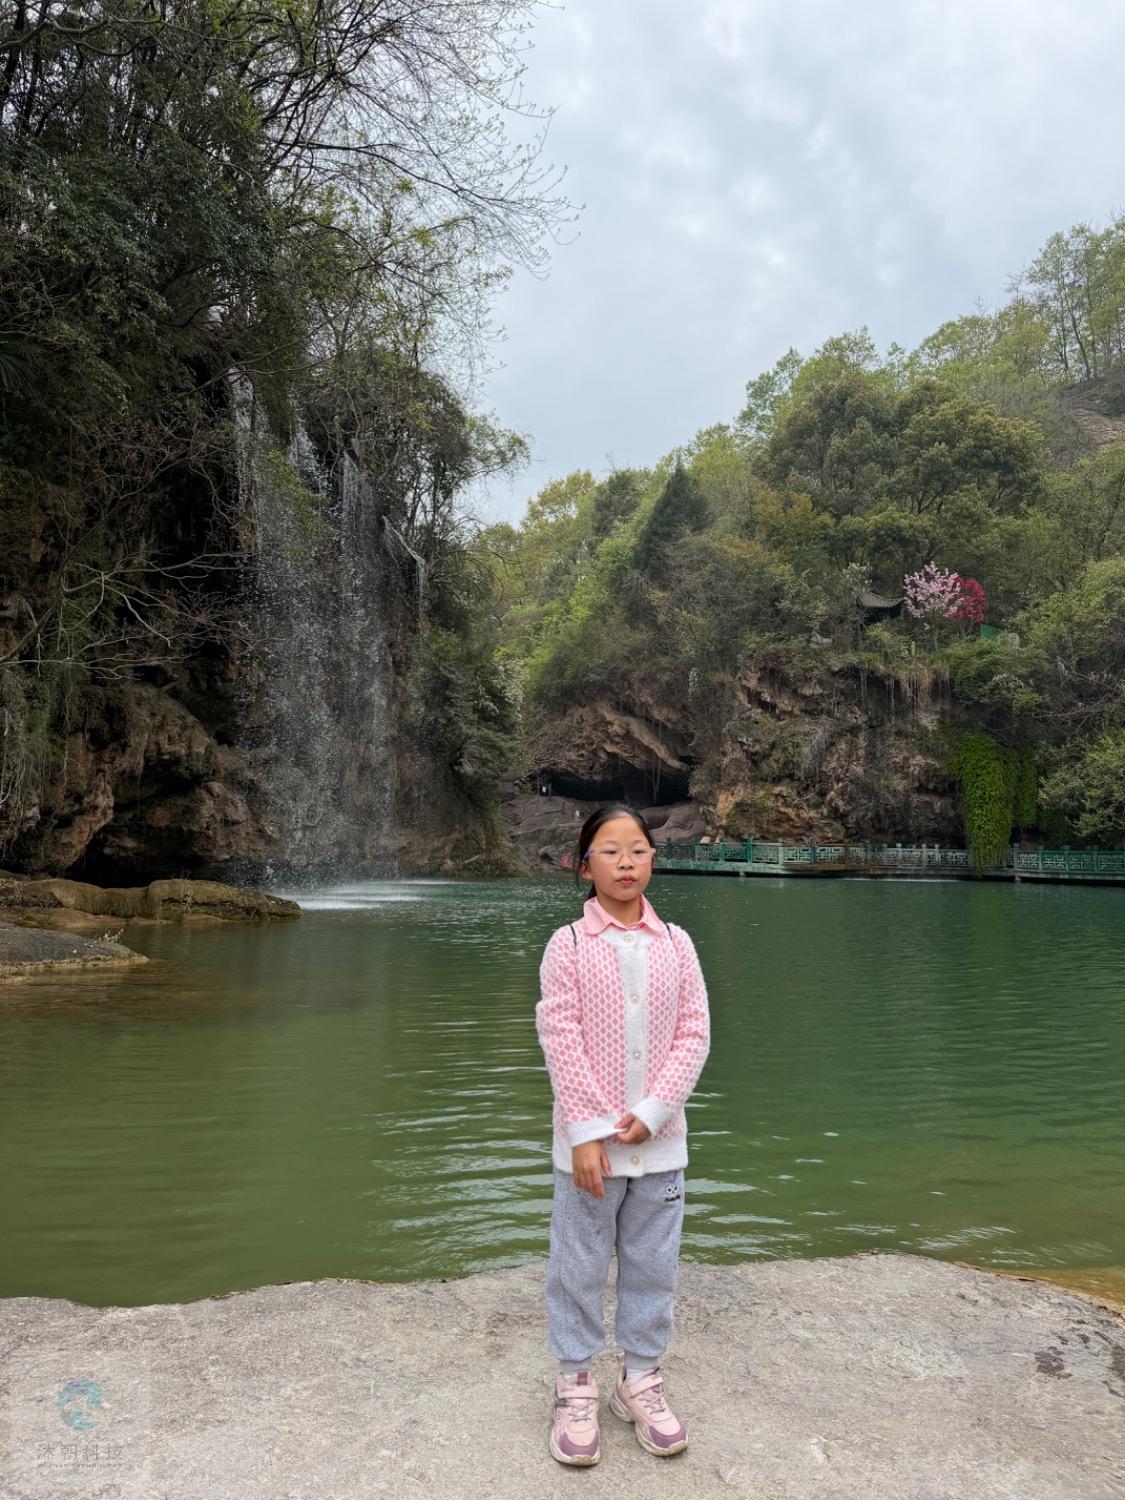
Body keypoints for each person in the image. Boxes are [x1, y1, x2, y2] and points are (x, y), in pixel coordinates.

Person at [535, 802, 711, 1466]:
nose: (626, 862)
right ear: (585, 866)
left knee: (653, 1266)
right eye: (609, 851)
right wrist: (585, 1132)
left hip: (660, 1145)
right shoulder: (569, 944)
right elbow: (561, 1038)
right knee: (577, 1265)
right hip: (589, 1152)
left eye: (637, 849)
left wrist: (657, 1108)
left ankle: (639, 1379)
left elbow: (693, 1033)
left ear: (653, 860)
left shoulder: (677, 943)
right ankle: (574, 1383)